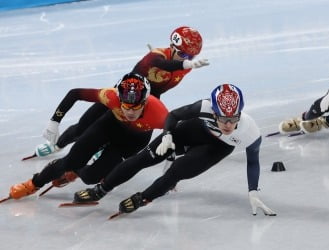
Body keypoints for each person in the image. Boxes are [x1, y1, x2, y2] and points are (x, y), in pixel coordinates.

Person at [74, 84, 276, 216]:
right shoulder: (203, 106)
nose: (228, 125)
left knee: (176, 170)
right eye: (223, 118)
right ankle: (100, 189)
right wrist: (169, 134)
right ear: (214, 111)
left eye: (233, 119)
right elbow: (173, 116)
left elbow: (253, 161)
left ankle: (143, 197)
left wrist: (253, 191)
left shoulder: (250, 130)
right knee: (146, 157)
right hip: (194, 131)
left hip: (217, 148)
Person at [35, 26, 209, 157]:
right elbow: (161, 63)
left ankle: (103, 150)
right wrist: (185, 63)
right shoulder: (160, 57)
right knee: (83, 126)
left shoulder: (186, 65)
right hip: (123, 96)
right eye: (185, 55)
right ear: (172, 46)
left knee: (127, 136)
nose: (188, 60)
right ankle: (57, 145)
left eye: (191, 57)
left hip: (147, 105)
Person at [7, 74, 169, 200]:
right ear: (119, 98)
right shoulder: (110, 95)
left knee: (91, 177)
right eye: (126, 106)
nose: (130, 112)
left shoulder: (160, 114)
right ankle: (34, 183)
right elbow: (74, 93)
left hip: (132, 142)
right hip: (108, 126)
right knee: (69, 161)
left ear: (146, 101)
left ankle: (76, 172)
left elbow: (177, 133)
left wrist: (171, 161)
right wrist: (54, 121)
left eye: (136, 107)